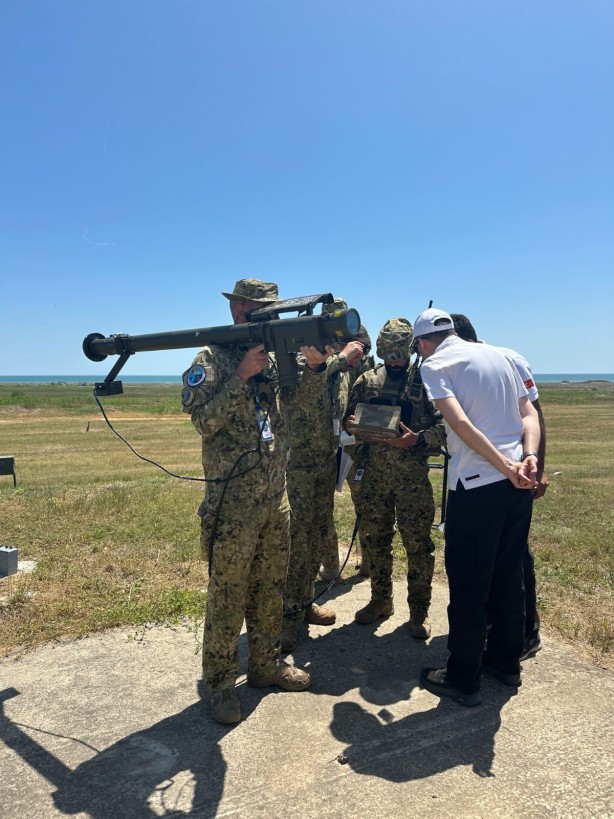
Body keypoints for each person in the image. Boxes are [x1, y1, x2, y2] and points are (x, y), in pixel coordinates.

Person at [181, 278, 315, 724]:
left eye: (272, 310)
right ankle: (221, 684)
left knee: (270, 586)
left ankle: (265, 666)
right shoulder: (210, 359)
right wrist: (240, 376)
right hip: (233, 505)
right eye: (259, 309)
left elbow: (295, 406)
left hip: (274, 498)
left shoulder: (273, 358)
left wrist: (314, 368)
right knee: (228, 594)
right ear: (238, 308)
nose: (267, 316)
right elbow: (203, 422)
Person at [410, 308, 540, 707]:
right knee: (509, 575)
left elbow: (462, 425)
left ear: (423, 343)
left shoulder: (435, 365)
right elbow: (529, 414)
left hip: (477, 485)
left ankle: (462, 677)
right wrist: (528, 457)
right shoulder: (500, 355)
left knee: (469, 584)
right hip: (517, 485)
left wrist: (503, 465)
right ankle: (505, 661)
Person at [450, 313, 548, 659]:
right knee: (494, 562)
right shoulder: (462, 366)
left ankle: (526, 633)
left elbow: (534, 414)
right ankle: (498, 633)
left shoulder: (508, 358)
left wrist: (538, 466)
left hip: (512, 475)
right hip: (490, 477)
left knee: (515, 560)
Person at [342, 318, 446, 639]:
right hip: (374, 478)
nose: (395, 362)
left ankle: (419, 611)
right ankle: (380, 601)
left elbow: (445, 427)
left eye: (400, 355)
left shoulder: (427, 382)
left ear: (411, 349)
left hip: (411, 479)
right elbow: (348, 419)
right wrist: (351, 424)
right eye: (389, 355)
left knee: (418, 545)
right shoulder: (367, 381)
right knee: (376, 541)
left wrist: (417, 439)